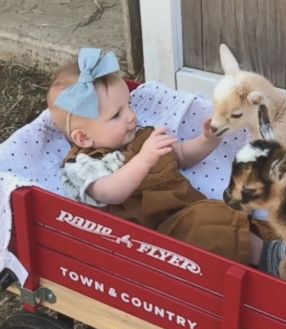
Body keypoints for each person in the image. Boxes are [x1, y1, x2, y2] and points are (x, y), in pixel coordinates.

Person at [47, 47, 263, 264]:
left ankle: (278, 254)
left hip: (187, 212)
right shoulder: (85, 163)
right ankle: (271, 263)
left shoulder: (142, 136)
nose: (131, 116)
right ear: (83, 138)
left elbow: (180, 155)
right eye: (116, 115)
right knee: (209, 228)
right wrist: (143, 159)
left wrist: (207, 140)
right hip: (155, 239)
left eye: (128, 105)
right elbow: (109, 193)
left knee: (225, 215)